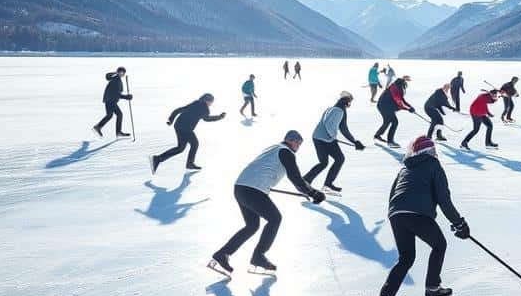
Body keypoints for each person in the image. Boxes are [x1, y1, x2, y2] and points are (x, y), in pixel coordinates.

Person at [373, 136, 469, 296]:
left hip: (396, 214)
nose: (435, 154)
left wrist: (400, 213)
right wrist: (459, 224)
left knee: (406, 258)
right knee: (439, 245)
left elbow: (394, 195)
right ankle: (432, 290)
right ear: (429, 152)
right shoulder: (434, 165)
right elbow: (444, 199)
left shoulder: (404, 168)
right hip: (417, 213)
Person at [208, 130, 324, 277]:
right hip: (253, 190)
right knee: (275, 219)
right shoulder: (286, 152)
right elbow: (296, 179)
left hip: (241, 188)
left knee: (252, 226)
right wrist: (313, 193)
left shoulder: (274, 149)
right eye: (297, 142)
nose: (298, 146)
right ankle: (258, 256)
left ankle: (222, 254)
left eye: (300, 144)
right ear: (289, 140)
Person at [305, 91, 364, 193]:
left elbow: (343, 128)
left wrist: (354, 141)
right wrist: (333, 136)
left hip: (319, 137)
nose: (350, 103)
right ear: (346, 101)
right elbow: (329, 125)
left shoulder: (334, 108)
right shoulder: (338, 111)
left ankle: (306, 181)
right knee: (339, 159)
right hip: (325, 139)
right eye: (349, 101)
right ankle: (322, 184)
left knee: (324, 162)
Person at [150, 93, 226, 173]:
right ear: (208, 101)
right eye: (211, 101)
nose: (211, 104)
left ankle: (158, 159)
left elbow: (178, 110)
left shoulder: (195, 103)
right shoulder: (204, 108)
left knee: (181, 148)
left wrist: (171, 120)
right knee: (193, 144)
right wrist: (220, 117)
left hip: (179, 126)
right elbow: (207, 119)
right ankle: (187, 163)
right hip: (185, 129)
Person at [93, 66, 133, 137]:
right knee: (119, 114)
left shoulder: (116, 78)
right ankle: (118, 132)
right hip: (110, 100)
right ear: (118, 72)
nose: (122, 74)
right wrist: (126, 97)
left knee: (110, 115)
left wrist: (126, 97)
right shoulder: (116, 80)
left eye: (123, 72)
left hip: (110, 100)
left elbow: (108, 77)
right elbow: (116, 93)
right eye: (120, 72)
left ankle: (98, 127)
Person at [374, 77, 415, 147]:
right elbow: (399, 102)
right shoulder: (395, 90)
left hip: (384, 106)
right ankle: (390, 141)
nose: (404, 87)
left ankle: (377, 135)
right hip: (385, 107)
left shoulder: (396, 87)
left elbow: (402, 99)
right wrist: (408, 109)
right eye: (404, 85)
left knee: (387, 122)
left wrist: (410, 106)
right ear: (401, 85)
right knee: (394, 122)